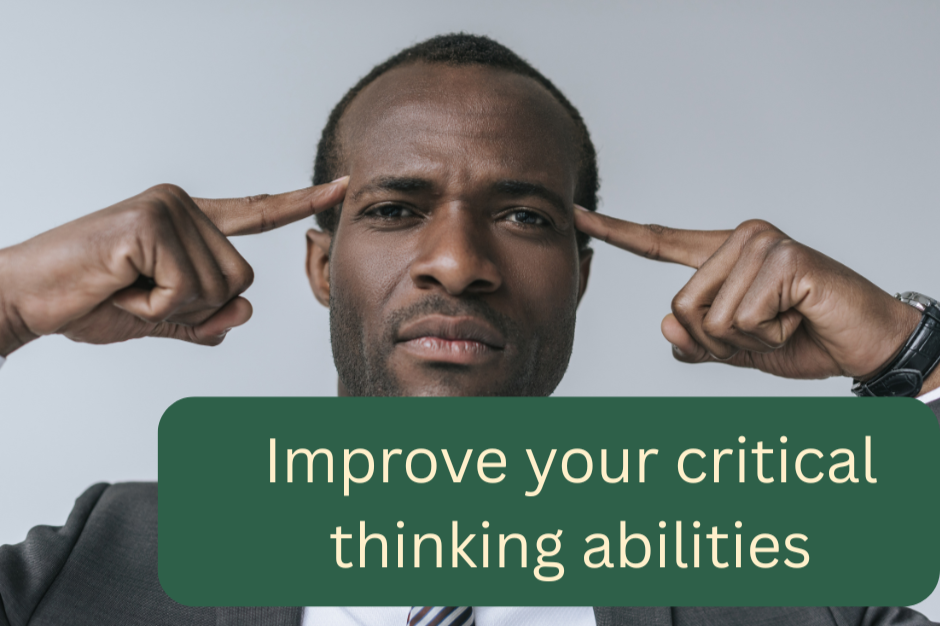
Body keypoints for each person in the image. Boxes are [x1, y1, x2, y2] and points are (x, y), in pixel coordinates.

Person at [0, 33, 938, 626]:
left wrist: (910, 354)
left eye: (525, 215)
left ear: (581, 275)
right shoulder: (109, 556)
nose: (457, 261)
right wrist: (5, 304)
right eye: (396, 209)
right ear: (321, 267)